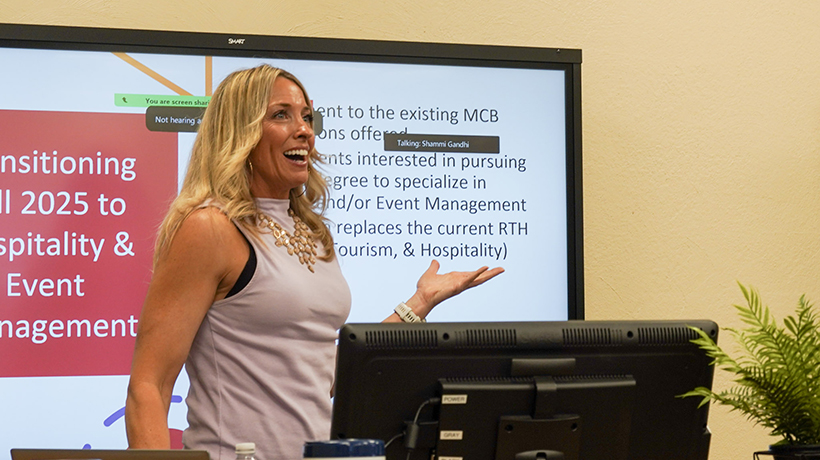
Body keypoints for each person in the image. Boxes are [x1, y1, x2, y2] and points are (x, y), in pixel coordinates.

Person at [124, 64, 503, 460]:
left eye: (307, 116)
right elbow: (149, 385)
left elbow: (321, 375)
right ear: (240, 133)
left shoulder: (312, 230)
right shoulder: (210, 228)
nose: (304, 129)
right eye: (280, 114)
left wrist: (417, 305)